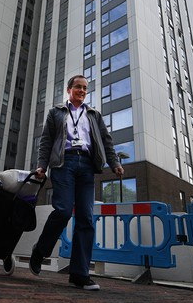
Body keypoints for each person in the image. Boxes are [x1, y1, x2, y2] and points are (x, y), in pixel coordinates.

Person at [29, 75, 124, 291]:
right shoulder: (56, 112)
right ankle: (40, 251)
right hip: (64, 162)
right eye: (78, 87)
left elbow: (106, 141)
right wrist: (42, 166)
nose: (82, 90)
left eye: (85, 88)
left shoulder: (93, 115)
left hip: (87, 166)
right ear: (69, 89)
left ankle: (79, 274)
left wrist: (114, 162)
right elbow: (46, 141)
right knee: (62, 210)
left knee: (86, 218)